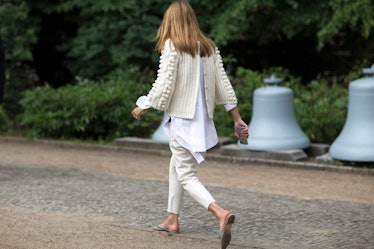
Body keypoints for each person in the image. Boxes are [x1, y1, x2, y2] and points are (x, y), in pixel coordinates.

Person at [131, 1, 248, 248]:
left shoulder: (173, 47)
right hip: (203, 122)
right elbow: (223, 85)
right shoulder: (209, 48)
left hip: (183, 121)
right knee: (177, 164)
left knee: (186, 174)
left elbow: (164, 83)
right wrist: (236, 117)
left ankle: (219, 213)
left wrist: (144, 104)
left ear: (171, 21)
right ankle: (172, 219)